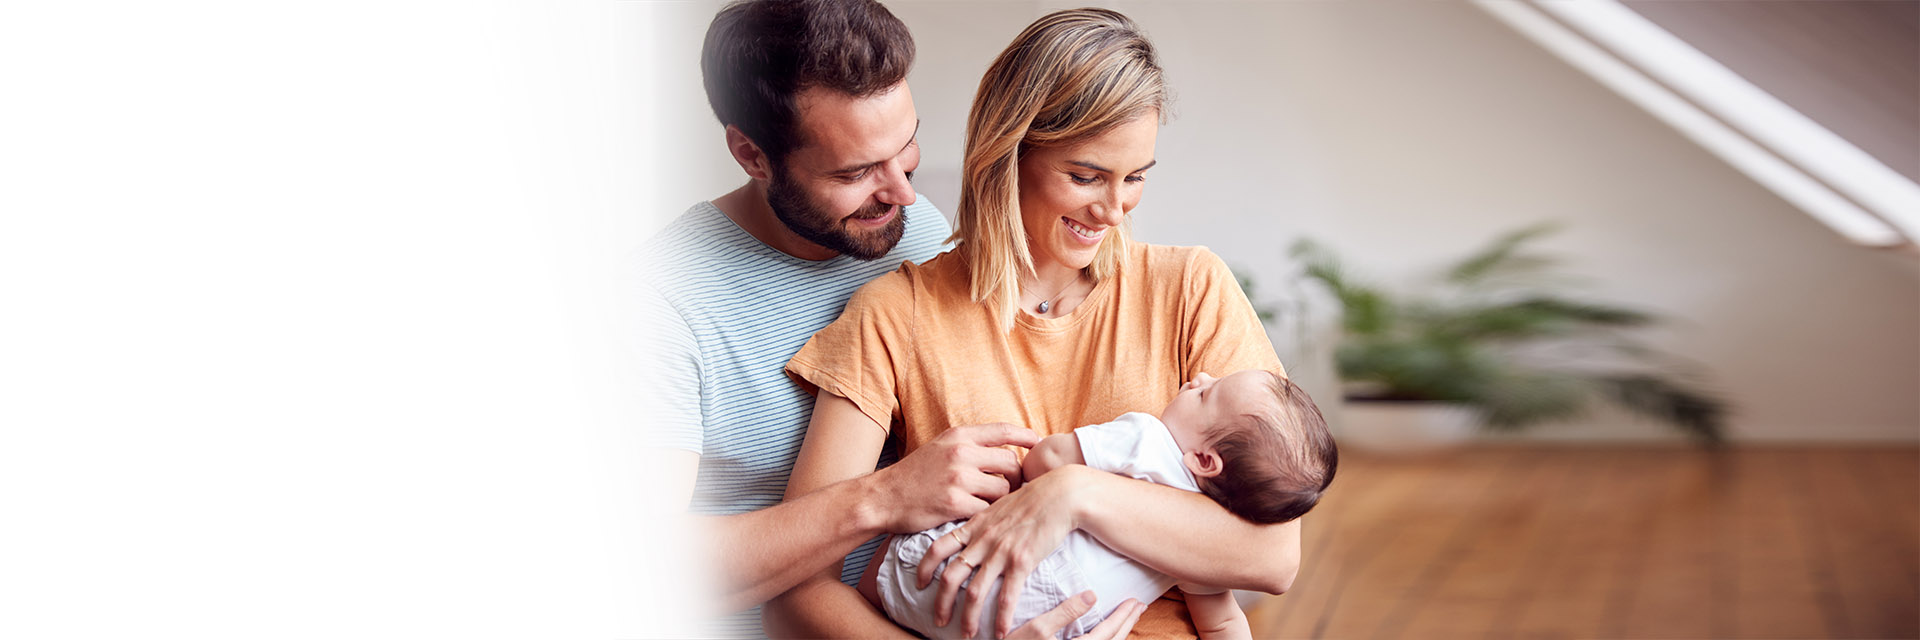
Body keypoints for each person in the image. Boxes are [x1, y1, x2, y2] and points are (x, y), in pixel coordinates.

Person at [773, 7, 1306, 639]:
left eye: (1134, 177)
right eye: (1085, 176)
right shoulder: (895, 316)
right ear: (1010, 153)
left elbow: (1272, 556)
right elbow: (796, 592)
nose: (1113, 209)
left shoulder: (1190, 288)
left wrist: (1073, 495)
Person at [633, 1, 1136, 637]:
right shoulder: (656, 303)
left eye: (906, 148)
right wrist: (884, 497)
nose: (901, 191)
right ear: (751, 155)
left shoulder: (912, 232)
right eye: (856, 171)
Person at [860, 370, 1337, 640]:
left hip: (982, 576)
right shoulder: (1201, 545)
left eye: (1206, 393)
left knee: (908, 550)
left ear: (1205, 459)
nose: (1198, 377)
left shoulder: (1147, 440)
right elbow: (1224, 624)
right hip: (1061, 624)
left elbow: (1047, 461)